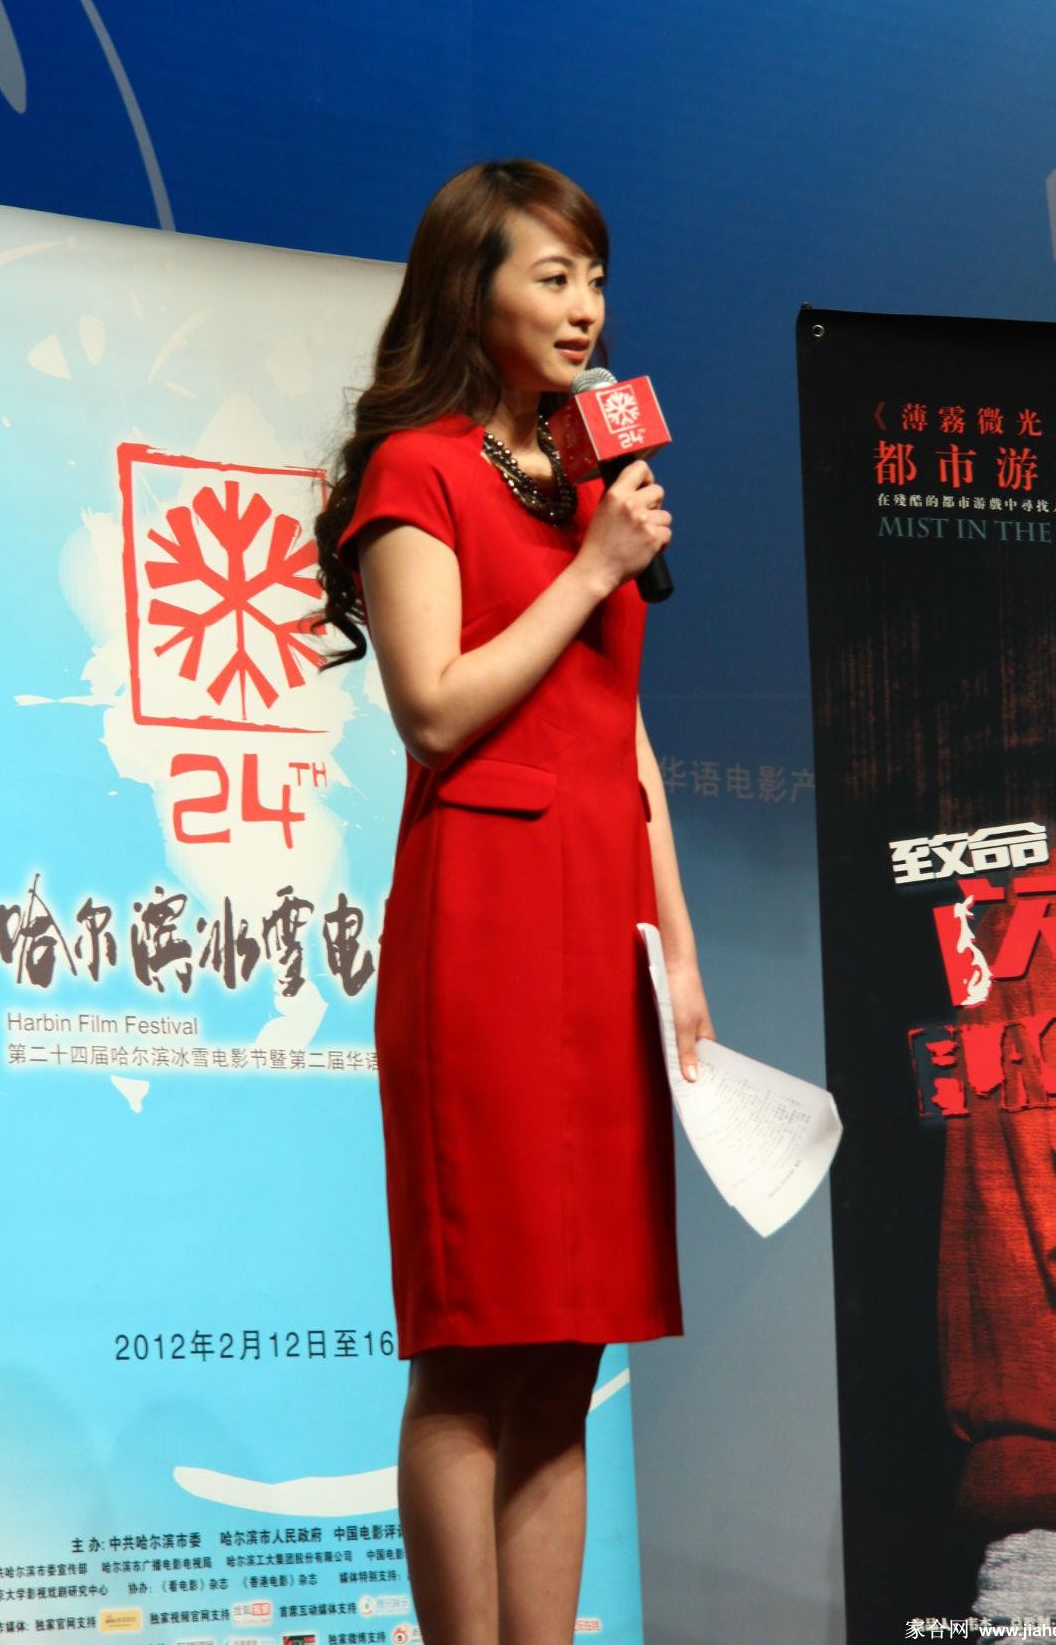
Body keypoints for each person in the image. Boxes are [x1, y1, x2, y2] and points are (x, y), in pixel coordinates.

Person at [315, 159, 712, 1645]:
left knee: (570, 1348)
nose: (585, 305)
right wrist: (592, 568)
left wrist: (678, 950)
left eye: (593, 277)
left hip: (601, 929)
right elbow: (433, 708)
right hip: (484, 926)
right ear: (468, 288)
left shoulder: (595, 470)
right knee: (477, 1344)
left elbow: (623, 730)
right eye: (552, 276)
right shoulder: (414, 470)